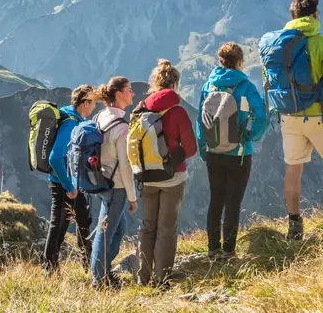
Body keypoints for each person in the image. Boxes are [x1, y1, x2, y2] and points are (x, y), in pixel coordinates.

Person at [269, 0, 323, 241]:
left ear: (293, 16)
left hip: (289, 114)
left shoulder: (277, 44)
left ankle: (294, 225)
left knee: (293, 168)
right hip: (320, 113)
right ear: (315, 15)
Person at [197, 42, 268, 259]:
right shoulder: (245, 86)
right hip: (239, 153)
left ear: (221, 61)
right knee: (233, 202)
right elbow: (262, 116)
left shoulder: (209, 85)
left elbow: (200, 121)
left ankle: (212, 249)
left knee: (216, 200)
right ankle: (228, 251)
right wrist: (250, 136)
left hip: (213, 152)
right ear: (240, 61)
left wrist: (204, 148)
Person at [135, 59, 197, 288]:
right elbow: (191, 149)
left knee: (147, 226)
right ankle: (161, 278)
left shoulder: (140, 109)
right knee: (166, 228)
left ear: (155, 82)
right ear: (175, 84)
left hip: (146, 176)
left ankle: (142, 277)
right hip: (172, 178)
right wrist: (175, 155)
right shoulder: (178, 112)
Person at [43, 84, 97, 271]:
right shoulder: (71, 124)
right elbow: (55, 158)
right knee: (58, 225)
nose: (94, 107)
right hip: (63, 184)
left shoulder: (71, 116)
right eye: (93, 103)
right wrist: (69, 186)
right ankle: (50, 269)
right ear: (85, 102)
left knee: (82, 221)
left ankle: (88, 264)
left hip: (72, 183)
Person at [90, 76, 137, 288]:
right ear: (119, 94)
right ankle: (99, 279)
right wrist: (132, 197)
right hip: (116, 185)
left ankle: (103, 269)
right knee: (106, 231)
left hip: (101, 180)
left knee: (118, 227)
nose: (132, 94)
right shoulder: (122, 127)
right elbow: (126, 166)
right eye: (129, 90)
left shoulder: (100, 116)